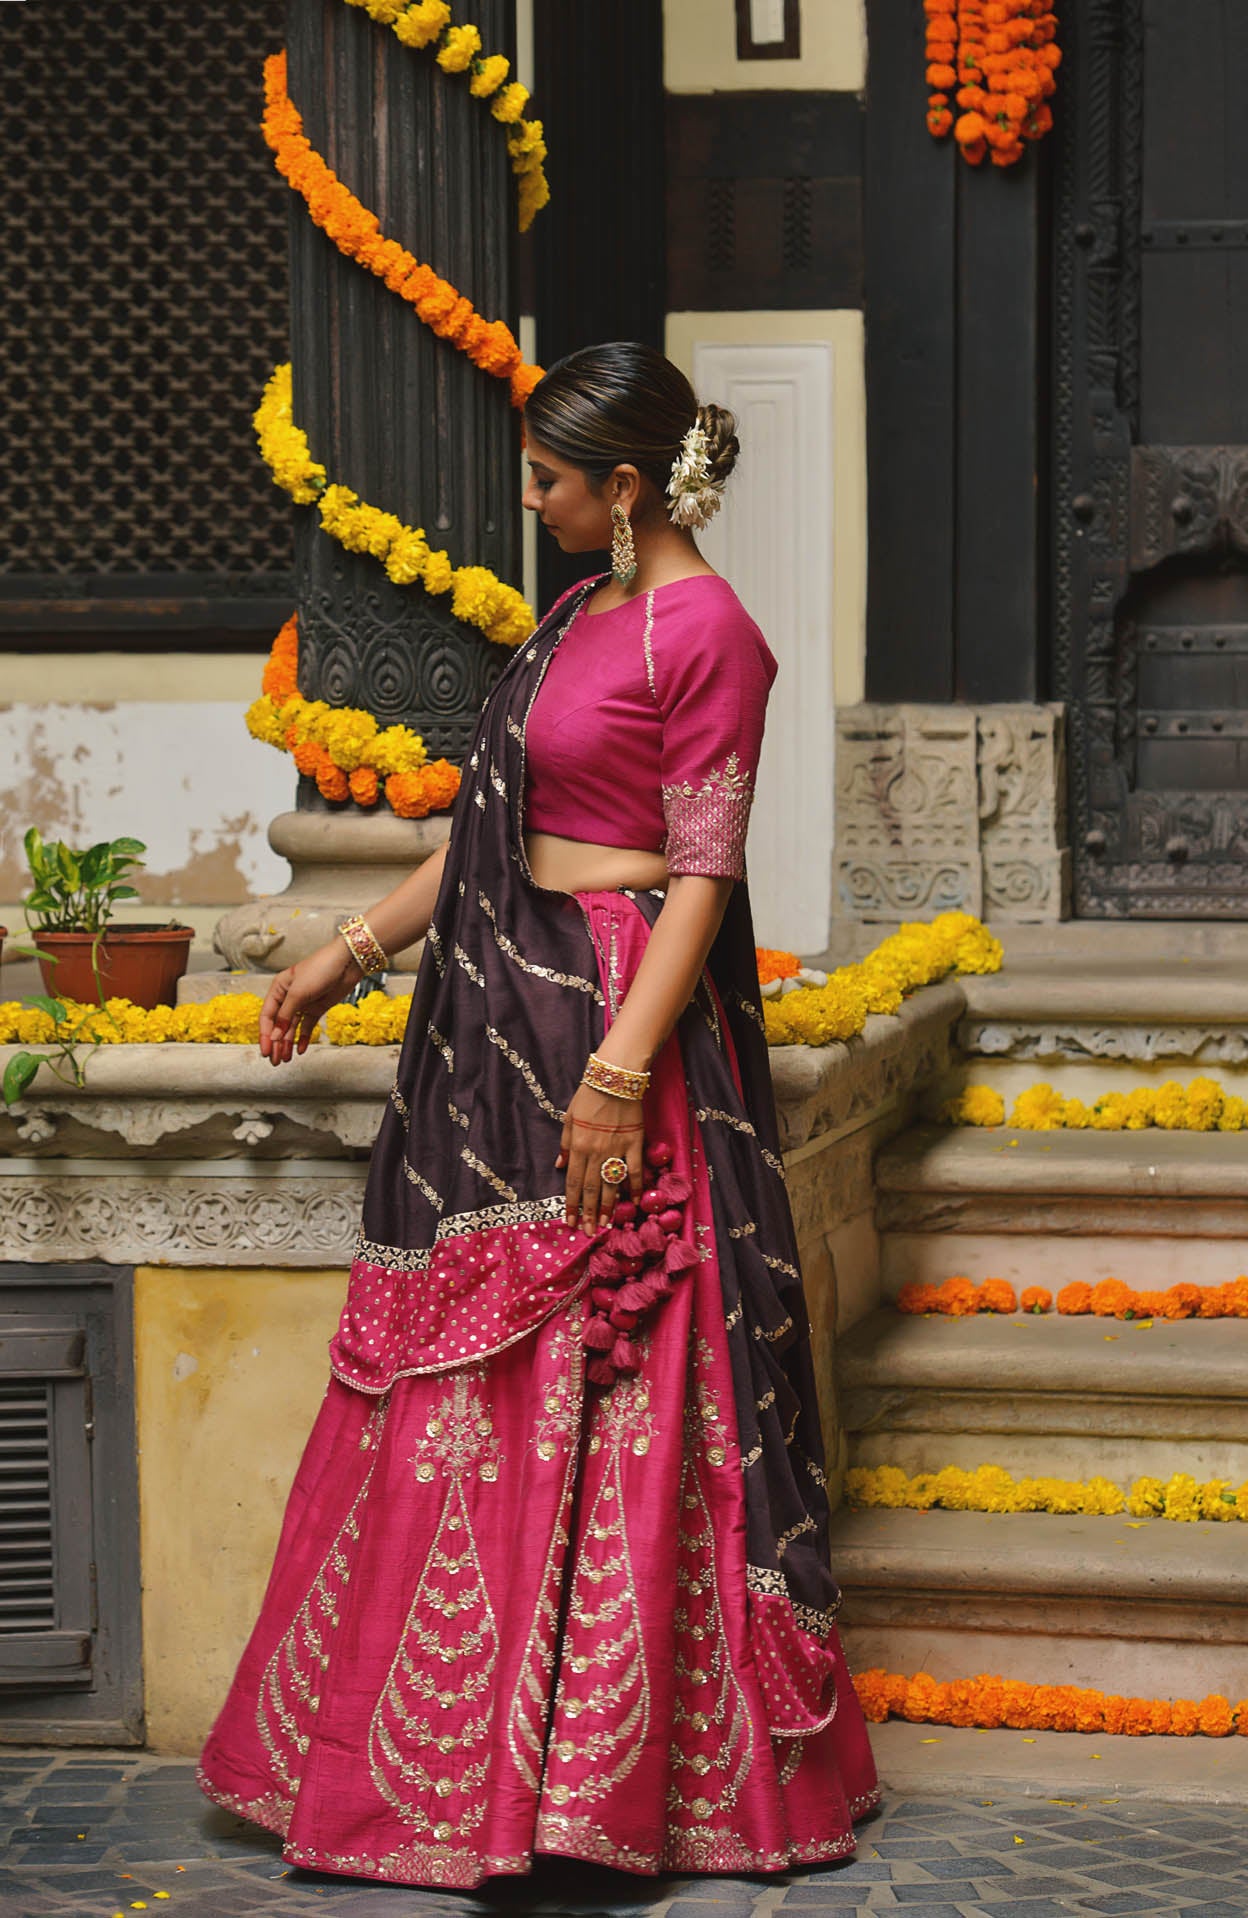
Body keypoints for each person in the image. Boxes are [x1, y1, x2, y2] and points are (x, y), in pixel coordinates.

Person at [198, 341, 880, 1888]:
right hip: (499, 1018)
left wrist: (622, 1074)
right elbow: (487, 837)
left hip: (613, 1022)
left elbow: (702, 877)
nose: (533, 499)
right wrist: (342, 952)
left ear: (626, 486)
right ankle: (438, 1779)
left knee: (616, 1375)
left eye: (552, 479)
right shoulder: (580, 616)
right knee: (470, 1366)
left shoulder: (711, 635)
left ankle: (593, 1789)